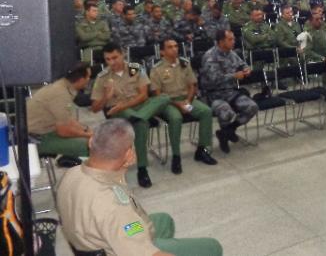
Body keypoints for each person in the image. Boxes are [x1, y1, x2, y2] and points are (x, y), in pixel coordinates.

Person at [57, 119, 223, 256]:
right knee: (212, 247)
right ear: (129, 154)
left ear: (91, 141)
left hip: (96, 235)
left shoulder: (72, 173)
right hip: (116, 245)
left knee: (164, 220)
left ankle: (153, 240)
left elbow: (111, 191)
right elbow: (123, 221)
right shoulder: (114, 207)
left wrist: (120, 168)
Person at [91, 43, 172, 188]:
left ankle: (138, 117)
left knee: (164, 97)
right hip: (120, 111)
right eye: (108, 59)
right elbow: (95, 108)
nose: (112, 62)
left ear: (122, 54)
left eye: (115, 57)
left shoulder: (135, 68)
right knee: (141, 125)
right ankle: (142, 169)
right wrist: (106, 96)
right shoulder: (102, 77)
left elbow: (144, 95)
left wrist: (125, 105)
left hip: (136, 106)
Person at [150, 39, 218, 171]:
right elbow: (157, 95)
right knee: (176, 118)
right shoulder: (157, 69)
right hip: (167, 103)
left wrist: (187, 100)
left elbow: (192, 85)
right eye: (170, 47)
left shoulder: (185, 64)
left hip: (186, 100)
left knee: (206, 111)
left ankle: (202, 150)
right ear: (162, 52)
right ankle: (176, 156)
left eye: (176, 46)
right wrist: (177, 104)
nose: (175, 49)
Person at [200, 30, 258, 154]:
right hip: (213, 94)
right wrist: (234, 76)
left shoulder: (231, 53)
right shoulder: (210, 56)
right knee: (226, 112)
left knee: (252, 107)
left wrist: (246, 69)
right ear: (221, 42)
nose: (234, 41)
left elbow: (243, 64)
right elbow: (213, 79)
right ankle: (225, 139)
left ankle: (227, 132)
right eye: (230, 39)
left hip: (230, 92)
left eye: (233, 39)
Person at [27, 62, 93, 157]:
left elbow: (68, 120)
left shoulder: (63, 86)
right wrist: (87, 135)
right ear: (81, 80)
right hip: (35, 139)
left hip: (47, 132)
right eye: (88, 77)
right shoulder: (61, 94)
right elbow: (63, 131)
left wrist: (86, 130)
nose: (89, 80)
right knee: (91, 146)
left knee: (91, 139)